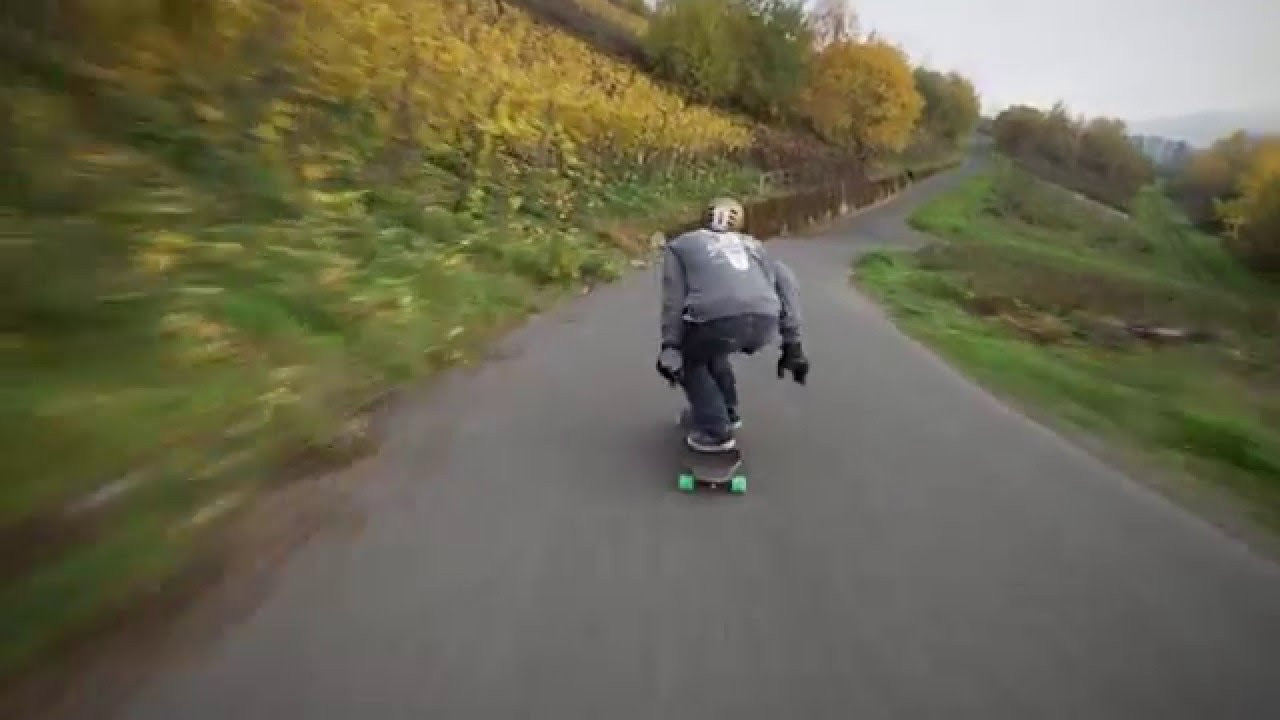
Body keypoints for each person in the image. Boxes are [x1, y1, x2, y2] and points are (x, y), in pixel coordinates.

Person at [656, 197, 809, 453]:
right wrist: (792, 344)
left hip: (715, 320)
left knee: (690, 359)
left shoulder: (681, 245)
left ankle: (715, 430)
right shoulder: (755, 246)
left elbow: (674, 298)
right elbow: (787, 282)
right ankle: (726, 411)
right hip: (765, 320)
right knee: (711, 351)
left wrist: (670, 345)